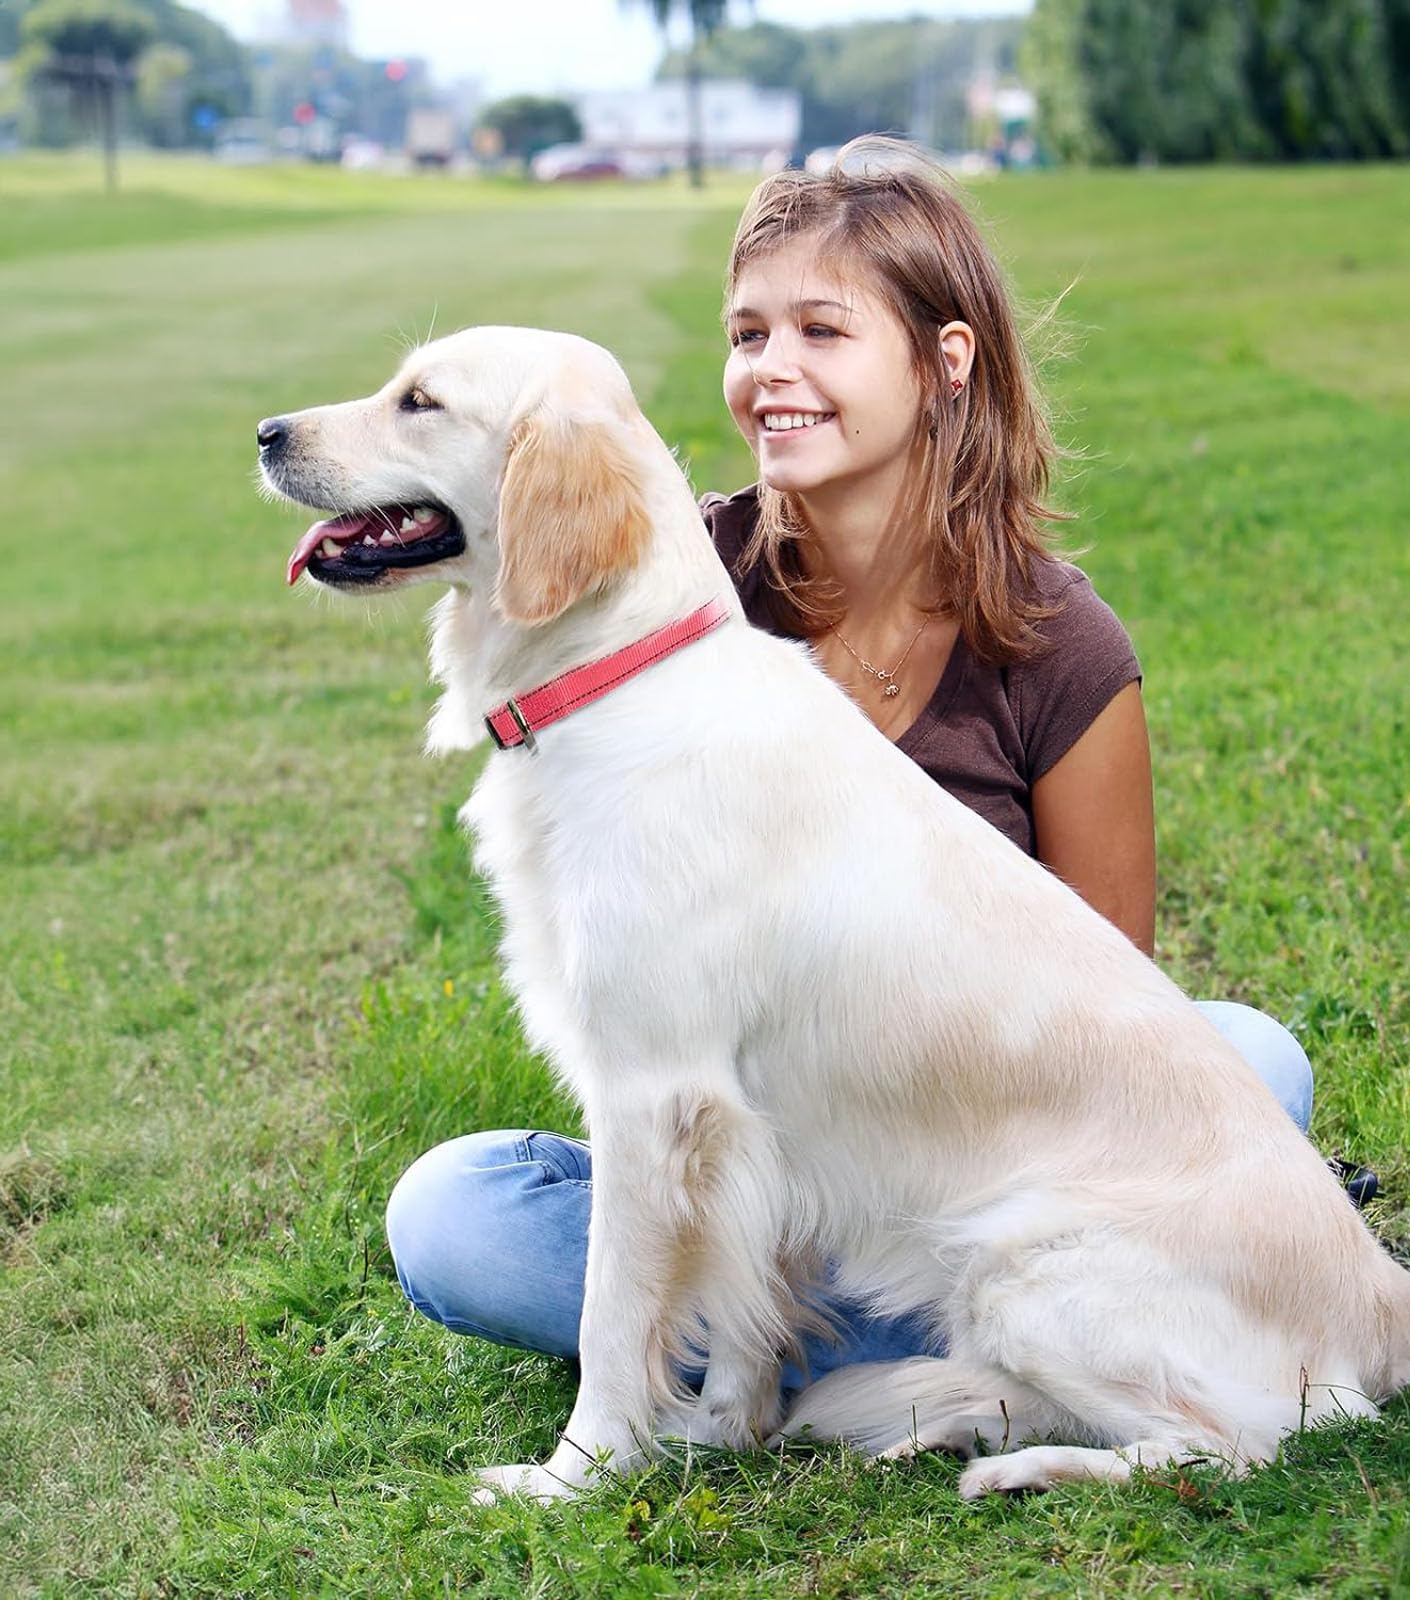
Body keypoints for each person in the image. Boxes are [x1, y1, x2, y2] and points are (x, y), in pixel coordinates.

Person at [385, 139, 1338, 1382]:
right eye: (746, 333)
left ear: (945, 364)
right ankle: (954, 1344)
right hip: (735, 1169)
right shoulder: (663, 589)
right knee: (455, 1209)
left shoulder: (1058, 643)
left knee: (1246, 1057)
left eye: (821, 332)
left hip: (961, 1178)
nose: (769, 370)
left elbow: (1109, 1000)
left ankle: (864, 1331)